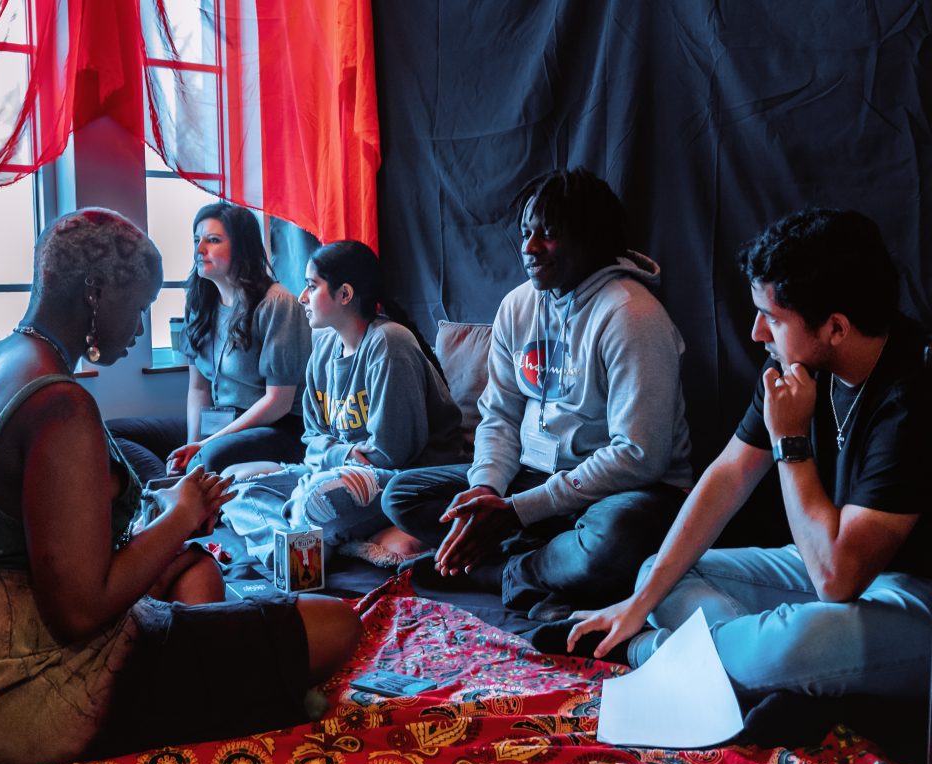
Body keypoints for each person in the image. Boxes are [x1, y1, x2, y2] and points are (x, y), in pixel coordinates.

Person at [0, 208, 360, 764]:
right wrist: (181, 513)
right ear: (95, 292)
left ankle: (204, 679)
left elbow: (31, 542)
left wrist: (166, 527)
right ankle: (210, 695)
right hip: (32, 674)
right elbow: (76, 612)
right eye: (140, 306)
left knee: (197, 568)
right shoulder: (59, 405)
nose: (143, 326)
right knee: (337, 622)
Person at [563, 208, 932, 727]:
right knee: (658, 574)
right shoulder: (794, 364)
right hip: (825, 561)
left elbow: (836, 580)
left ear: (836, 328)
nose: (758, 332)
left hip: (910, 591)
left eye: (774, 318)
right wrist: (637, 605)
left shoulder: (913, 394)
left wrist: (791, 440)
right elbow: (729, 475)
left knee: (790, 646)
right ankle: (748, 670)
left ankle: (662, 655)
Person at [381, 167, 693, 616]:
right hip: (533, 479)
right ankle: (544, 565)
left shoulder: (632, 315)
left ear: (591, 238)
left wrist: (516, 511)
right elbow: (501, 415)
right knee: (402, 495)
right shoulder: (518, 305)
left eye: (547, 235)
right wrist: (487, 491)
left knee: (616, 537)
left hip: (626, 490)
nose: (528, 248)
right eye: (526, 232)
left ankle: (509, 573)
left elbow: (639, 456)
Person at [222, 240, 465, 564]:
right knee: (233, 483)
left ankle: (305, 546)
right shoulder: (322, 348)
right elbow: (311, 436)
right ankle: (292, 554)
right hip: (341, 471)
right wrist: (343, 454)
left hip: (403, 478)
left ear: (345, 295)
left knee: (315, 499)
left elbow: (391, 453)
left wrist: (326, 467)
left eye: (312, 286)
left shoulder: (389, 343)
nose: (302, 297)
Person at [108, 202, 312, 482]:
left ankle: (179, 493)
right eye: (197, 240)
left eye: (213, 240)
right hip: (220, 423)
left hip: (277, 427)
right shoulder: (200, 301)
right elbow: (198, 388)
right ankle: (173, 490)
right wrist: (192, 444)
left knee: (210, 458)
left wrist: (204, 446)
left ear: (242, 248)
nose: (199, 249)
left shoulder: (277, 304)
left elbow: (278, 402)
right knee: (114, 434)